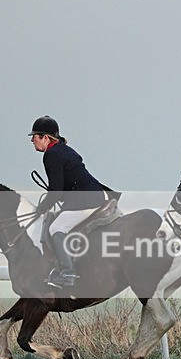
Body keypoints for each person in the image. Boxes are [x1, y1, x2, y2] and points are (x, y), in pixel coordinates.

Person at [29, 115, 118, 289]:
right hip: (94, 195)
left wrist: (41, 208)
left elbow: (56, 191)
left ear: (46, 138)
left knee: (56, 228)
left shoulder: (51, 154)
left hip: (85, 200)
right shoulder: (63, 149)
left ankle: (67, 272)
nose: (32, 140)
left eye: (35, 136)